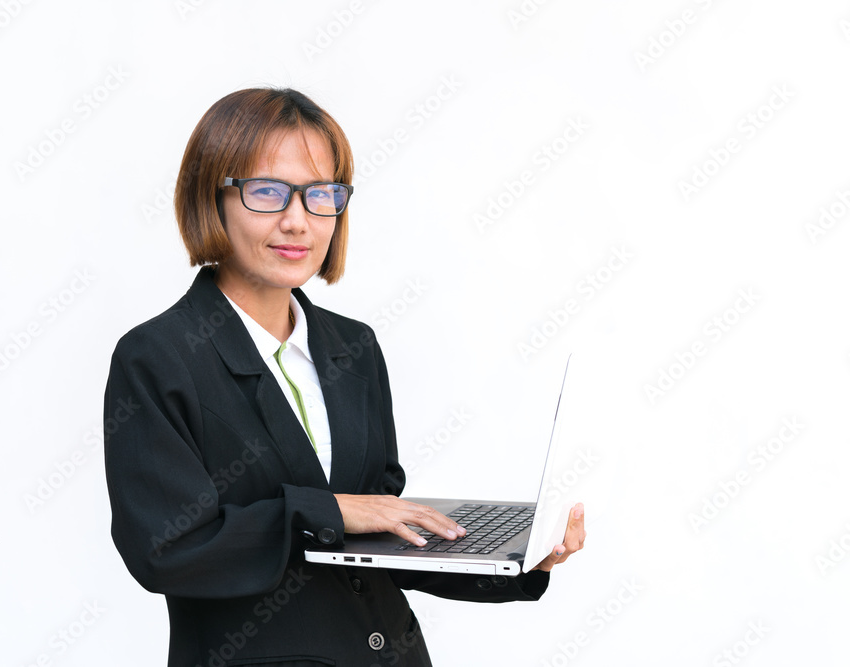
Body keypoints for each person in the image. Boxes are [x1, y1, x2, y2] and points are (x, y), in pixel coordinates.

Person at [103, 87, 585, 667]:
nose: (296, 221)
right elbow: (167, 551)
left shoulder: (352, 347)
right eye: (266, 192)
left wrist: (517, 558)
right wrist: (329, 510)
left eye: (320, 196)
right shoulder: (158, 357)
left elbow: (375, 542)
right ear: (213, 197)